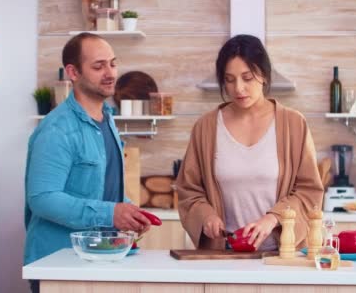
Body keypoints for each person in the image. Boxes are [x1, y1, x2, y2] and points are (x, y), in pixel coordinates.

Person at [24, 33, 150, 293]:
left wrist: (129, 212)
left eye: (113, 64)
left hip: (97, 258)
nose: (110, 73)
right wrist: (110, 213)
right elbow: (42, 198)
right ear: (73, 72)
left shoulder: (107, 120)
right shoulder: (57, 130)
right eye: (98, 66)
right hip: (58, 266)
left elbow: (100, 188)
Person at [176, 34, 324, 251]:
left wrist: (273, 218)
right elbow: (188, 190)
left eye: (247, 78)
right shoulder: (205, 127)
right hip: (224, 253)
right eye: (229, 79)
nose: (238, 88)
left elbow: (309, 190)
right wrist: (205, 215)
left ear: (263, 75)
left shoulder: (293, 124)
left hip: (280, 254)